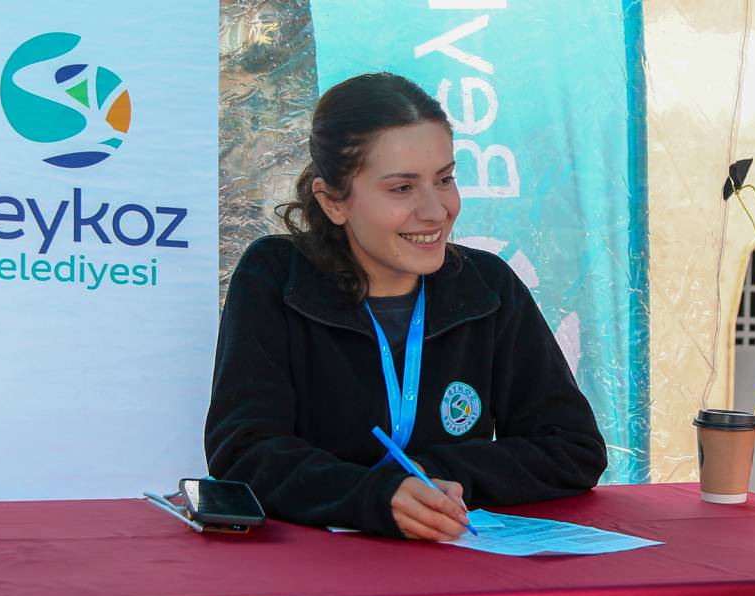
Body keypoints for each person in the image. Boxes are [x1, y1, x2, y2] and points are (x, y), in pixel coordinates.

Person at [205, 72, 607, 542]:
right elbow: (244, 452)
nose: (436, 211)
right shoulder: (276, 276)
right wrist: (372, 495)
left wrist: (434, 474)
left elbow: (573, 449)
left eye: (445, 180)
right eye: (402, 188)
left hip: (457, 571)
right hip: (316, 580)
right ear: (333, 201)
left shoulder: (486, 285)